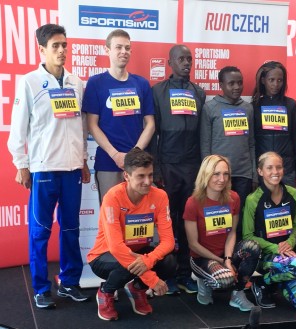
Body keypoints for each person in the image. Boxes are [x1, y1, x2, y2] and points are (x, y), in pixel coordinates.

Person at [7, 23, 91, 309]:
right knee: (40, 231)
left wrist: (82, 160)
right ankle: (42, 288)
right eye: (55, 46)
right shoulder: (29, 82)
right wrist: (22, 164)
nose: (62, 50)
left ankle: (69, 282)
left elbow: (81, 127)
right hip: (43, 169)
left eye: (64, 45)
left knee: (71, 229)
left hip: (71, 170)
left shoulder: (76, 82)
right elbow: (18, 130)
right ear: (41, 49)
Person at [87, 148, 176, 321]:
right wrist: (151, 278)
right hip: (104, 256)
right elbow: (116, 247)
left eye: (150, 175)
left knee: (169, 262)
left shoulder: (160, 196)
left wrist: (148, 260)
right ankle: (105, 292)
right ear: (126, 176)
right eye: (141, 176)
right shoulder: (112, 197)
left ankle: (137, 289)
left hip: (138, 253)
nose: (148, 181)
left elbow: (168, 242)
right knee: (125, 264)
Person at [151, 44, 206, 294]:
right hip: (168, 166)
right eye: (181, 59)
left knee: (188, 222)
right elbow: (154, 133)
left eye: (189, 59)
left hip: (193, 166)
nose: (187, 63)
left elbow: (203, 134)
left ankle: (185, 273)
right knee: (166, 222)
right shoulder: (158, 91)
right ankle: (167, 274)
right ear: (170, 63)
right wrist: (157, 168)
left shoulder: (199, 93)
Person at [82, 29, 155, 203]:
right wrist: (115, 155)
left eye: (127, 48)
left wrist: (134, 153)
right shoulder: (96, 83)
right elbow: (92, 124)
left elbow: (150, 124)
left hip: (138, 165)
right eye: (119, 47)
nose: (124, 52)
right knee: (111, 219)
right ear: (107, 50)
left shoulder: (142, 84)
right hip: (108, 162)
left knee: (137, 220)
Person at [183, 155, 261, 311]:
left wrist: (227, 259)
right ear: (205, 175)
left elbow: (232, 233)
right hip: (202, 258)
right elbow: (193, 244)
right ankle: (203, 281)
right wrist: (219, 260)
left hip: (225, 254)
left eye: (226, 174)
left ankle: (237, 294)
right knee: (224, 280)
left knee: (253, 247)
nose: (222, 179)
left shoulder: (234, 198)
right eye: (216, 174)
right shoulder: (193, 202)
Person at [242, 152, 296, 312]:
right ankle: (261, 283)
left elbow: (295, 227)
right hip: (264, 257)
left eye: (278, 167)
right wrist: (276, 249)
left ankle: (274, 281)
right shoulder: (252, 200)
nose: (275, 171)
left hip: (287, 255)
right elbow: (248, 236)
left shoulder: (293, 194)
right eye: (269, 168)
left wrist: (289, 243)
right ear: (260, 171)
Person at [200, 66, 256, 241]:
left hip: (243, 174)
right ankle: (218, 254)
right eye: (231, 83)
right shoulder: (210, 108)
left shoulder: (248, 108)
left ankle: (239, 255)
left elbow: (252, 143)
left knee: (240, 219)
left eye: (239, 83)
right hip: (219, 177)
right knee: (218, 218)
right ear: (221, 85)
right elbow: (205, 145)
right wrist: (208, 176)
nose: (236, 87)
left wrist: (254, 173)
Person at [252, 61, 296, 194]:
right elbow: (251, 142)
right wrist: (254, 173)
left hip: (287, 169)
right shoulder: (254, 106)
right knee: (263, 212)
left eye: (280, 80)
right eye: (271, 80)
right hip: (263, 169)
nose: (276, 84)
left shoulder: (291, 105)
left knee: (288, 210)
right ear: (263, 80)